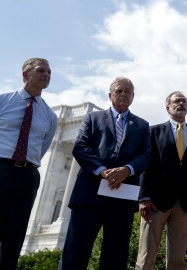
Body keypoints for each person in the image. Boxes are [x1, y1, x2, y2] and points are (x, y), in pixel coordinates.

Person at [59, 77, 151, 270]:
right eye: (119, 91)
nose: (123, 94)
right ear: (110, 95)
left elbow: (146, 155)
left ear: (133, 96)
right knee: (76, 251)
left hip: (122, 197)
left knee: (115, 255)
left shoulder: (142, 125)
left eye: (128, 91)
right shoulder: (93, 118)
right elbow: (80, 148)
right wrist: (103, 171)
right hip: (89, 194)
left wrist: (127, 170)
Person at [0, 58, 57, 270]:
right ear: (25, 74)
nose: (47, 75)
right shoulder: (2, 101)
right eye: (41, 70)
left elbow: (43, 146)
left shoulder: (50, 116)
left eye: (49, 72)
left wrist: (24, 163)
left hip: (26, 175)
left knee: (13, 235)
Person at [135, 91, 187, 270]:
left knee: (177, 260)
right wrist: (143, 198)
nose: (181, 103)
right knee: (146, 256)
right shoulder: (153, 131)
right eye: (177, 101)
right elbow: (146, 165)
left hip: (185, 204)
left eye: (184, 101)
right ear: (168, 107)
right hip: (155, 203)